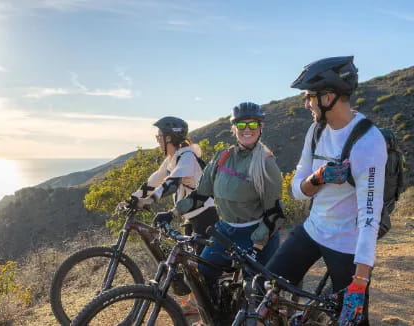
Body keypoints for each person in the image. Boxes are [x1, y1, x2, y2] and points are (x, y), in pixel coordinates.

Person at [265, 56, 387, 326]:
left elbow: (370, 214)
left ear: (329, 96)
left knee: (352, 320)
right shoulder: (316, 130)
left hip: (347, 243)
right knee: (264, 288)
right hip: (314, 229)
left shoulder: (368, 142)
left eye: (309, 96)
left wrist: (361, 280)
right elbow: (297, 190)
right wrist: (318, 178)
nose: (306, 103)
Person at [173, 102, 284, 323]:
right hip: (226, 230)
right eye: (241, 124)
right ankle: (216, 317)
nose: (247, 129)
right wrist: (173, 212)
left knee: (255, 299)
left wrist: (257, 247)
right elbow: (200, 196)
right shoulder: (223, 157)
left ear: (261, 126)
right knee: (203, 275)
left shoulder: (266, 163)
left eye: (252, 123)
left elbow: (275, 214)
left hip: (256, 233)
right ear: (233, 128)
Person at [118, 116, 219, 247]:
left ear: (169, 138)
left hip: (205, 218)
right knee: (188, 261)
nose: (157, 140)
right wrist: (132, 199)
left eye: (159, 136)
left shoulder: (187, 157)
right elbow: (152, 182)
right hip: (190, 217)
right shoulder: (172, 159)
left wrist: (149, 200)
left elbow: (172, 182)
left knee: (202, 264)